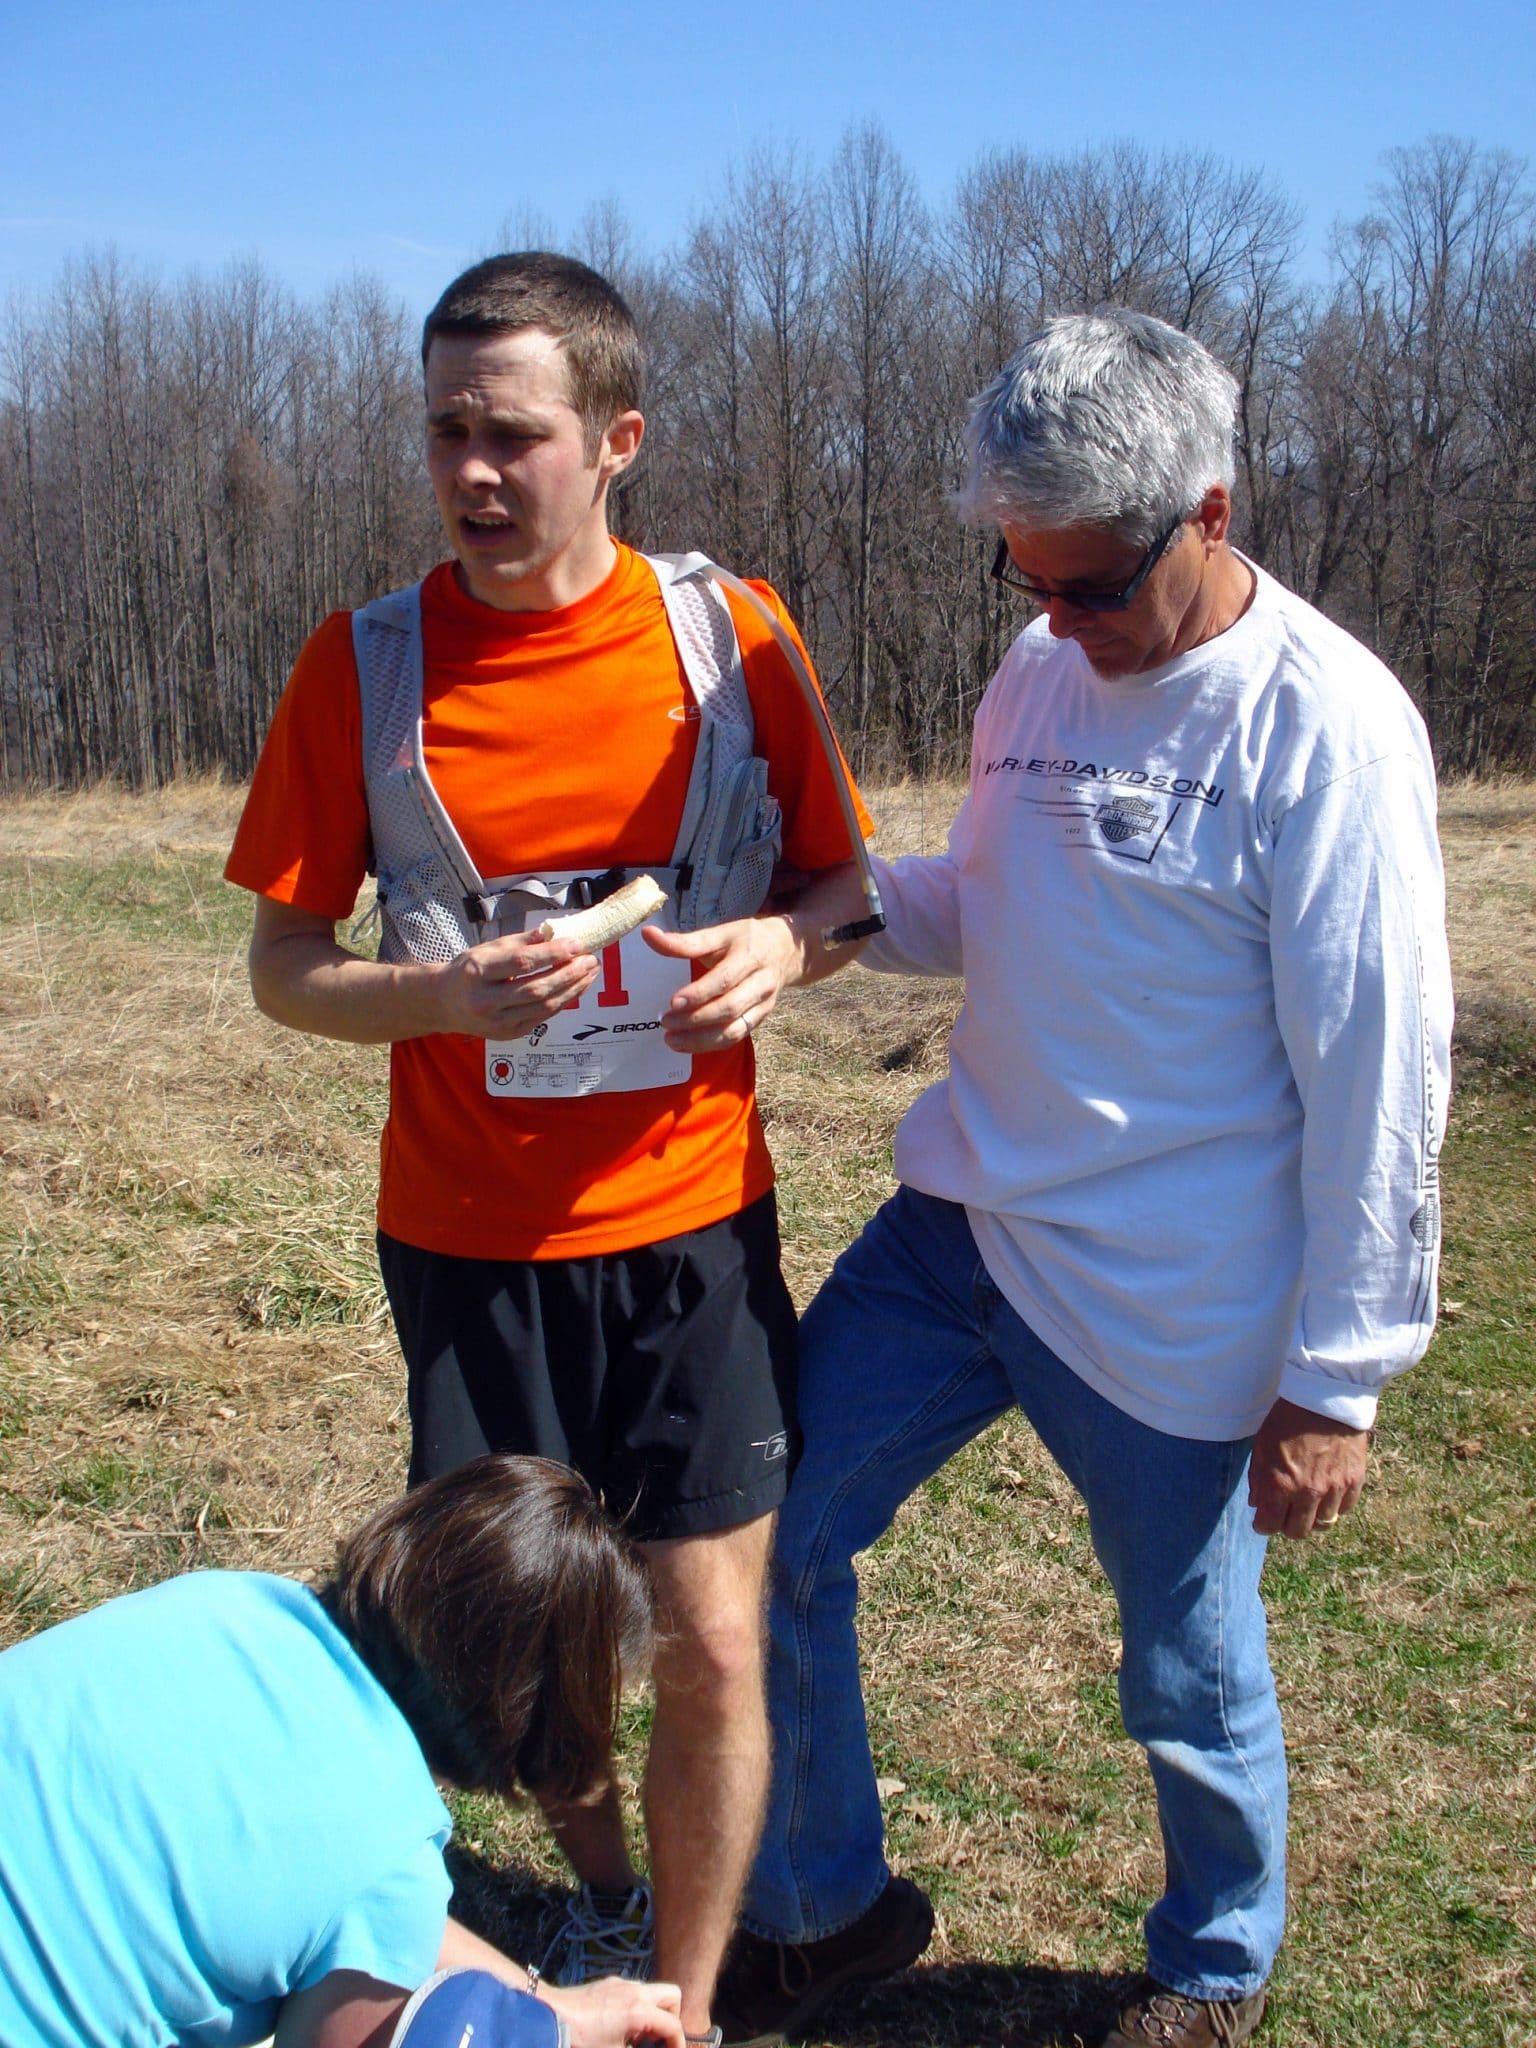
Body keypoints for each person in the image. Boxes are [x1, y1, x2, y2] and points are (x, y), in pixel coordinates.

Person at [666, 309, 1454, 2048]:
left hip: (1175, 1289)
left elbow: (1380, 1070)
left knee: (1183, 1667)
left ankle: (1215, 1958)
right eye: (1028, 581)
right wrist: (817, 921)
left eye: (1095, 584)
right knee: (768, 1540)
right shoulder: (1036, 672)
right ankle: (824, 1904)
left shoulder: (1321, 727)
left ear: (1213, 511)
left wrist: (1337, 1378)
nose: (1060, 621)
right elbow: (989, 898)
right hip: (961, 1231)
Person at [224, 251, 868, 2045]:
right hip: (467, 1245)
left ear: (618, 439)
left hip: (691, 1230)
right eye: (446, 432)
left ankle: (690, 1996)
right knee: (536, 1669)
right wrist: (435, 1003)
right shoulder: (363, 665)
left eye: (513, 433)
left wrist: (784, 948)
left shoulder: (732, 640)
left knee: (720, 1641)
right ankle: (599, 1894)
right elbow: (282, 970)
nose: (472, 472)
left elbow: (842, 886)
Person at [0, 1453, 685, 2048]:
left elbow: (358, 1915)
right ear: (537, 1717)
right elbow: (368, 1905)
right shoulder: (382, 1861)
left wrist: (555, 2008)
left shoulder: (224, 1599)